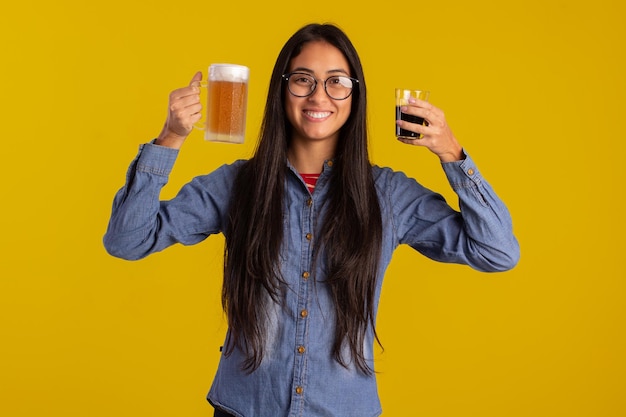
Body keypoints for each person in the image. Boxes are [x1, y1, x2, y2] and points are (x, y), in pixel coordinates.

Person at [104, 23, 519, 417]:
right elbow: (127, 240)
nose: (319, 96)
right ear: (282, 92)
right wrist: (170, 137)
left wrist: (452, 153)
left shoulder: (389, 195)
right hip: (245, 407)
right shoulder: (237, 184)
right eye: (303, 79)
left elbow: (497, 251)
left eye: (336, 81)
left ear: (355, 95)